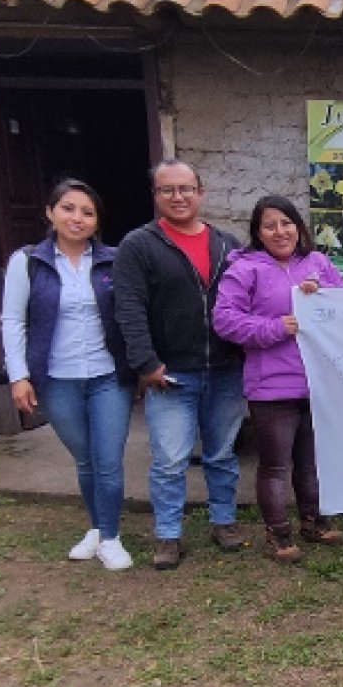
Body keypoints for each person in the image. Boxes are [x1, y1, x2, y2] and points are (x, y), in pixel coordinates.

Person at [113, 159, 248, 571]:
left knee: (222, 454)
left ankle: (223, 521)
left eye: (186, 188)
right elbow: (129, 308)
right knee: (170, 459)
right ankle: (168, 534)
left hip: (225, 369)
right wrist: (146, 363)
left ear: (200, 193)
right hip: (170, 373)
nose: (178, 197)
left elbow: (246, 299)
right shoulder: (139, 245)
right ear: (156, 196)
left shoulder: (227, 243)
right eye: (167, 190)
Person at [0, 178, 135, 570]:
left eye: (87, 212)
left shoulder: (113, 259)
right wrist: (19, 375)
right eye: (69, 209)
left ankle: (110, 538)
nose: (78, 218)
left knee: (107, 458)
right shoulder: (28, 262)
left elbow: (131, 313)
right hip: (58, 378)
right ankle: (97, 526)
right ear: (50, 212)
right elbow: (12, 320)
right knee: (85, 459)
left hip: (108, 374)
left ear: (96, 221)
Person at [213, 195, 343, 564]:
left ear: (298, 226)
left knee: (311, 460)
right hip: (271, 384)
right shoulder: (244, 269)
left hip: (317, 380)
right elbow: (224, 319)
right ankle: (278, 533)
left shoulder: (317, 263)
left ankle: (314, 521)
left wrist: (321, 293)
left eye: (286, 222)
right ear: (258, 232)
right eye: (270, 225)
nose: (280, 231)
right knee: (276, 464)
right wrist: (275, 328)